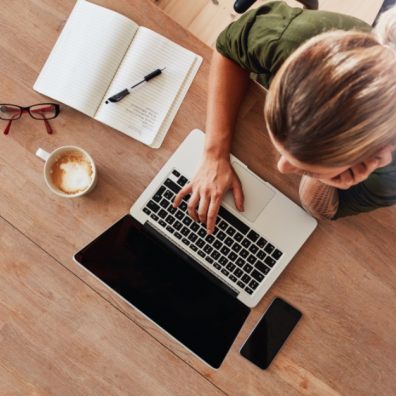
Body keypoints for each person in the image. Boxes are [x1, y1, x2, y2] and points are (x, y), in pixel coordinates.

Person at [173, 1, 396, 234]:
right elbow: (230, 48)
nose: (282, 166)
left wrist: (322, 180)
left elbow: (320, 208)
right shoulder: (289, 40)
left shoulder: (388, 178)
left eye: (309, 170)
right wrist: (214, 154)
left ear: (379, 156)